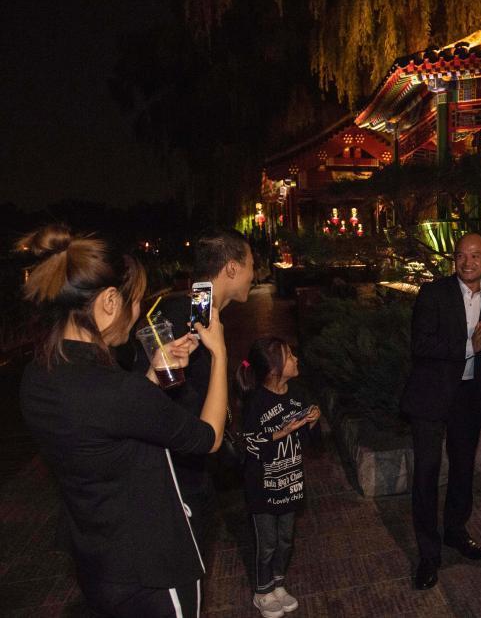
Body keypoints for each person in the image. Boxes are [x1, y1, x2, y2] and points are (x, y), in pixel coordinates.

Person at [19, 225, 229, 616]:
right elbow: (209, 438)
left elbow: (103, 426)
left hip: (97, 563)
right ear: (110, 301)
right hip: (152, 572)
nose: (136, 315)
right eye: (135, 302)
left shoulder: (38, 376)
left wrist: (152, 375)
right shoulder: (117, 390)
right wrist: (219, 355)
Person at [401, 233, 481, 590]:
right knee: (426, 474)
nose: (467, 262)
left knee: (463, 470)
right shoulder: (433, 294)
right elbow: (421, 344)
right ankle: (428, 554)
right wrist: (469, 345)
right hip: (431, 396)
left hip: (469, 398)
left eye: (475, 255)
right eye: (461, 255)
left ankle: (455, 531)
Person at [135, 228, 255, 548]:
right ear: (232, 268)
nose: (253, 275)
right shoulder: (180, 319)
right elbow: (153, 400)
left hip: (197, 469)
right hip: (178, 479)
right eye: (251, 266)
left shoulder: (202, 314)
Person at [236, 337, 321, 618]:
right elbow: (248, 445)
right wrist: (280, 433)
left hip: (291, 482)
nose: (296, 359)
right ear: (273, 368)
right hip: (262, 487)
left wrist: (312, 422)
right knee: (267, 542)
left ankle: (278, 584)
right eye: (289, 355)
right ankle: (263, 591)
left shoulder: (297, 393)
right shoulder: (255, 401)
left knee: (286, 539)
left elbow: (308, 442)